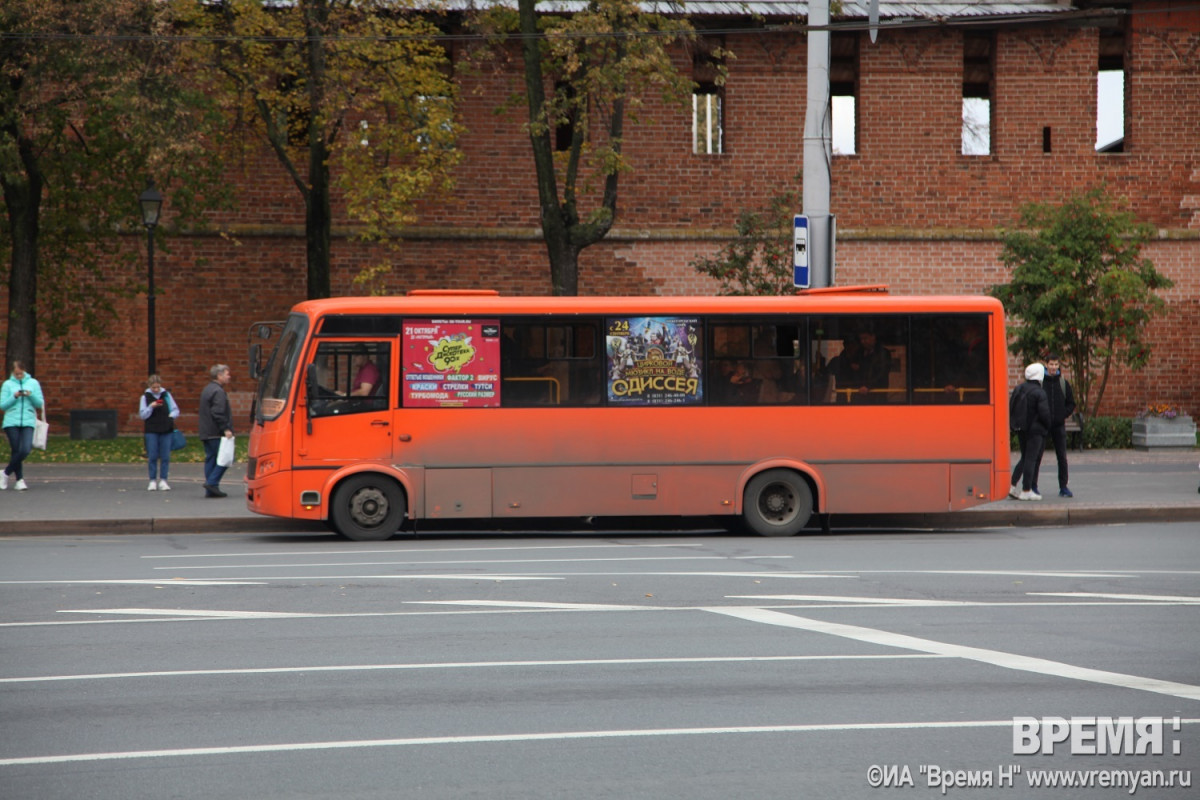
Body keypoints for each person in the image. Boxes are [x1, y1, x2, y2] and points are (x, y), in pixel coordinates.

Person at [1009, 363, 1051, 501]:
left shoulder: (1019, 388)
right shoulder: (1039, 392)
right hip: (1036, 431)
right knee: (1031, 459)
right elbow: (1044, 414)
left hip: (1021, 428)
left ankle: (1012, 484)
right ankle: (1026, 490)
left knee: (1025, 457)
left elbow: (1011, 407)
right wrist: (1047, 426)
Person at [1036, 354, 1077, 498]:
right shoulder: (1041, 383)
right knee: (1037, 455)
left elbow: (1071, 403)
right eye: (1051, 364)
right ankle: (1033, 486)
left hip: (1058, 425)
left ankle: (1063, 486)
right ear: (1046, 365)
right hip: (1043, 425)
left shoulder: (1063, 384)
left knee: (1062, 456)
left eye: (1056, 364)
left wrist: (1062, 415)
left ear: (1059, 366)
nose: (1053, 367)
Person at [1, 360, 45, 491]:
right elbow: (2, 405)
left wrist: (30, 395)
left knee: (25, 449)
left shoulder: (33, 383)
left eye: (20, 374)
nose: (18, 376)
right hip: (11, 421)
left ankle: (5, 473)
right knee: (16, 450)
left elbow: (39, 403)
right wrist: (14, 396)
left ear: (24, 371)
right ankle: (20, 480)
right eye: (16, 374)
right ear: (12, 373)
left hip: (28, 420)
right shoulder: (7, 385)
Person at [139, 374, 181, 491]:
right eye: (154, 388)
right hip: (151, 429)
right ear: (149, 386)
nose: (156, 390)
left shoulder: (166, 395)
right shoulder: (145, 397)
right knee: (152, 455)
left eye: (158, 387)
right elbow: (143, 415)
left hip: (166, 428)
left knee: (165, 456)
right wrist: (151, 407)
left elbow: (175, 409)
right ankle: (152, 480)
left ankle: (164, 480)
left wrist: (170, 417)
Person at [198, 364, 234, 498]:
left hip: (206, 431)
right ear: (219, 375)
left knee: (211, 459)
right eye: (227, 374)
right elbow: (218, 412)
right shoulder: (218, 391)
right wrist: (225, 428)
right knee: (226, 458)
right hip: (215, 432)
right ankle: (212, 483)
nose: (229, 376)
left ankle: (211, 489)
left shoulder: (207, 389)